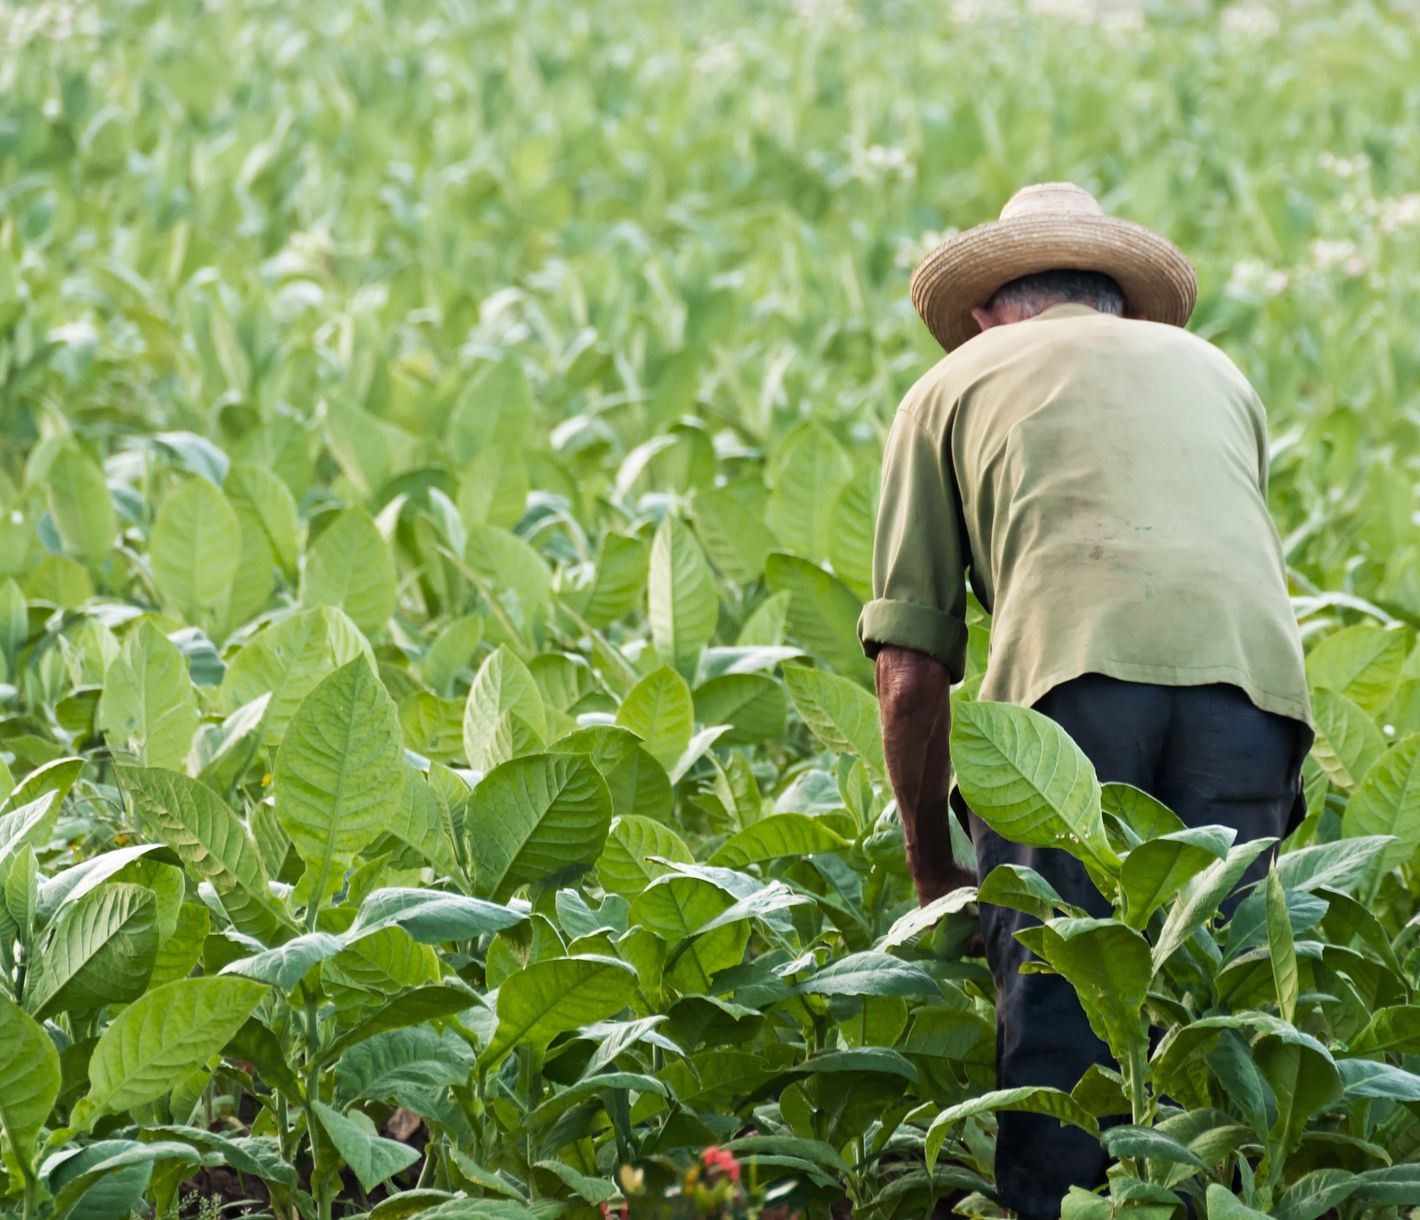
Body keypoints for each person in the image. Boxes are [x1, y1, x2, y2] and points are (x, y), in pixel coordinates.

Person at [857, 182, 1313, 1219]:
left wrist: (934, 869)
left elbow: (910, 669)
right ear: (1119, 301)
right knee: (1209, 1017)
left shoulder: (954, 382)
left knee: (1061, 1013)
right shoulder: (1216, 371)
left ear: (986, 312)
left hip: (1068, 698)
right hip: (1255, 697)